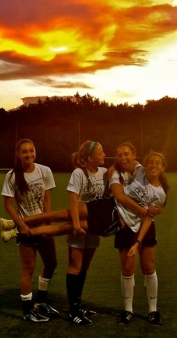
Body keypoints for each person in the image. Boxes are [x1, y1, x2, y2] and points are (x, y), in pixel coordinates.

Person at [3, 146, 167, 322]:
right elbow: (119, 196)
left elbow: (148, 208)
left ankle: (17, 231)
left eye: (125, 154)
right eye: (104, 153)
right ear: (89, 158)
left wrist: (146, 223)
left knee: (63, 229)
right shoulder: (112, 171)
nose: (110, 155)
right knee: (60, 218)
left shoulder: (141, 180)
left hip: (113, 220)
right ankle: (17, 223)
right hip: (105, 208)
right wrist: (144, 211)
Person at [110, 144, 169, 326]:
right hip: (124, 223)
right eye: (151, 162)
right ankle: (128, 310)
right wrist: (112, 168)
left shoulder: (160, 193)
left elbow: (150, 217)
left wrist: (138, 242)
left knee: (148, 267)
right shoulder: (139, 170)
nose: (153, 165)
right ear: (145, 163)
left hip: (145, 226)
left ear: (163, 167)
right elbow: (122, 164)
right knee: (127, 269)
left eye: (157, 163)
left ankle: (153, 310)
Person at [0, 138, 59, 323]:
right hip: (26, 228)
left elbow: (47, 200)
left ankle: (41, 301)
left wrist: (48, 223)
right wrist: (21, 225)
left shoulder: (45, 171)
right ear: (18, 154)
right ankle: (27, 311)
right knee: (28, 269)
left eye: (31, 150)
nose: (29, 154)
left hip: (43, 226)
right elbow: (8, 204)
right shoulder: (12, 176)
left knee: (51, 263)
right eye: (24, 151)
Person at [65, 140, 108, 326]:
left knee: (84, 267)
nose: (104, 155)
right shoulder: (79, 173)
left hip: (94, 226)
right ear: (90, 158)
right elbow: (73, 201)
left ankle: (78, 304)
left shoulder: (104, 173)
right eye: (100, 152)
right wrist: (75, 225)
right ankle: (72, 310)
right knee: (75, 265)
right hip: (79, 224)